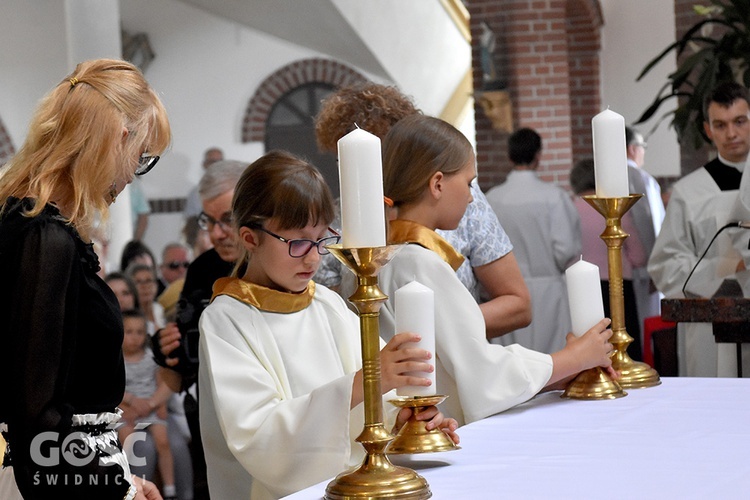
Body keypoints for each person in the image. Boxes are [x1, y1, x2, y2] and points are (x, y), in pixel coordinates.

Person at [197, 150, 459, 499]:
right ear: (250, 238)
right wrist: (368, 380)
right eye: (298, 242)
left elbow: (378, 398)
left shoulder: (327, 303)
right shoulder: (226, 320)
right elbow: (260, 439)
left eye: (321, 240)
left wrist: (409, 422)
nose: (313, 257)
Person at [0, 58, 168, 499]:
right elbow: (36, 415)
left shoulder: (34, 223)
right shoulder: (44, 235)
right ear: (118, 138)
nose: (133, 174)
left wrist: (124, 479)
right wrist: (119, 491)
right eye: (141, 157)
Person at [378, 115, 615, 426]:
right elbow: (481, 373)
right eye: (468, 182)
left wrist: (553, 375)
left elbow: (457, 364)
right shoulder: (420, 262)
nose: (472, 195)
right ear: (437, 184)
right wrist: (572, 358)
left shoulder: (387, 256)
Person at [314, 82, 531, 339]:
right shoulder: (337, 222)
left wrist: (439, 328)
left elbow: (518, 305)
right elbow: (339, 321)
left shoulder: (461, 199)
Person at [154, 159, 246, 499]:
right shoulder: (200, 271)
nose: (217, 233)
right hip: (207, 418)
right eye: (209, 221)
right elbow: (179, 372)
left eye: (228, 220)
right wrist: (166, 350)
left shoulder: (273, 266)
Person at [648, 81, 750, 377]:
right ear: (708, 130)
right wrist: (729, 268)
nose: (731, 134)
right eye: (720, 125)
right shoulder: (688, 192)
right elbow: (665, 265)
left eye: (740, 122)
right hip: (709, 328)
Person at [485, 128, 581, 354]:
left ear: (509, 156)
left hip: (504, 292)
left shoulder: (492, 198)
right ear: (539, 155)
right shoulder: (553, 196)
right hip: (548, 290)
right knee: (553, 360)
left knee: (513, 358)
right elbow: (565, 248)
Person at [571, 158, 647, 361]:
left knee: (590, 345)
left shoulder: (570, 209)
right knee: (624, 343)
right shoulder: (615, 210)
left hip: (582, 289)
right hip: (619, 286)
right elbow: (639, 256)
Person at [120, 310, 177, 500]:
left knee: (163, 440)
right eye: (129, 332)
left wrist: (159, 404)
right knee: (126, 440)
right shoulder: (116, 360)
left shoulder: (151, 357)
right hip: (127, 410)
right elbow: (114, 389)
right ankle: (126, 484)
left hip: (150, 407)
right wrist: (129, 406)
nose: (134, 338)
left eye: (139, 332)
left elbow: (161, 380)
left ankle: (169, 488)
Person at [625, 126, 665, 336]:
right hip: (642, 271)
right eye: (643, 147)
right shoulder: (641, 179)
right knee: (645, 327)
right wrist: (655, 268)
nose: (643, 152)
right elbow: (651, 224)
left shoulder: (602, 179)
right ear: (632, 149)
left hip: (616, 272)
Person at [183, 147, 224, 221]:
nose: (217, 165)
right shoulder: (195, 193)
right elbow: (190, 221)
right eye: (212, 161)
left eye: (220, 161)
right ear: (204, 165)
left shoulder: (233, 188)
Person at [128, 263, 167, 336]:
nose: (145, 286)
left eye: (148, 281)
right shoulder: (129, 316)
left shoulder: (160, 309)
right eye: (138, 282)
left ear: (156, 285)